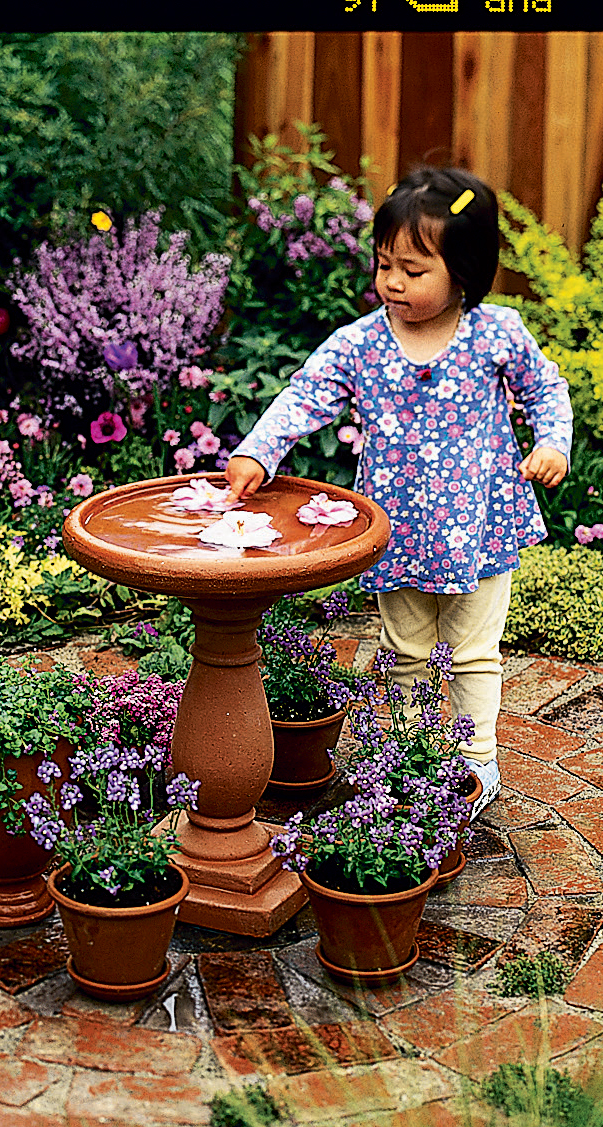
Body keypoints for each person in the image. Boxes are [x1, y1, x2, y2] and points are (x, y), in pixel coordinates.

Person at [225, 164, 572, 813]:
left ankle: (476, 764)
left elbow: (544, 388)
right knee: (405, 652)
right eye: (384, 264)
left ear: (463, 270)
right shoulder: (357, 345)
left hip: (482, 528)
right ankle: (409, 755)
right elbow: (305, 397)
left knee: (471, 653)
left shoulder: (496, 334)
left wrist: (552, 442)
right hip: (397, 536)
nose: (391, 282)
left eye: (412, 271)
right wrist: (257, 452)